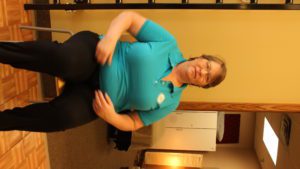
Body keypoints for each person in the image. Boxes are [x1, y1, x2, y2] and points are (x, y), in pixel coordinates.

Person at [0, 11, 226, 132]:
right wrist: (110, 38)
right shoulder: (168, 43)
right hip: (95, 56)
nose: (202, 72)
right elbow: (129, 18)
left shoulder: (171, 102)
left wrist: (112, 117)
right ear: (200, 57)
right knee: (64, 60)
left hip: (98, 100)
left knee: (62, 118)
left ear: (202, 85)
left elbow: (135, 122)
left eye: (207, 77)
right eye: (207, 65)